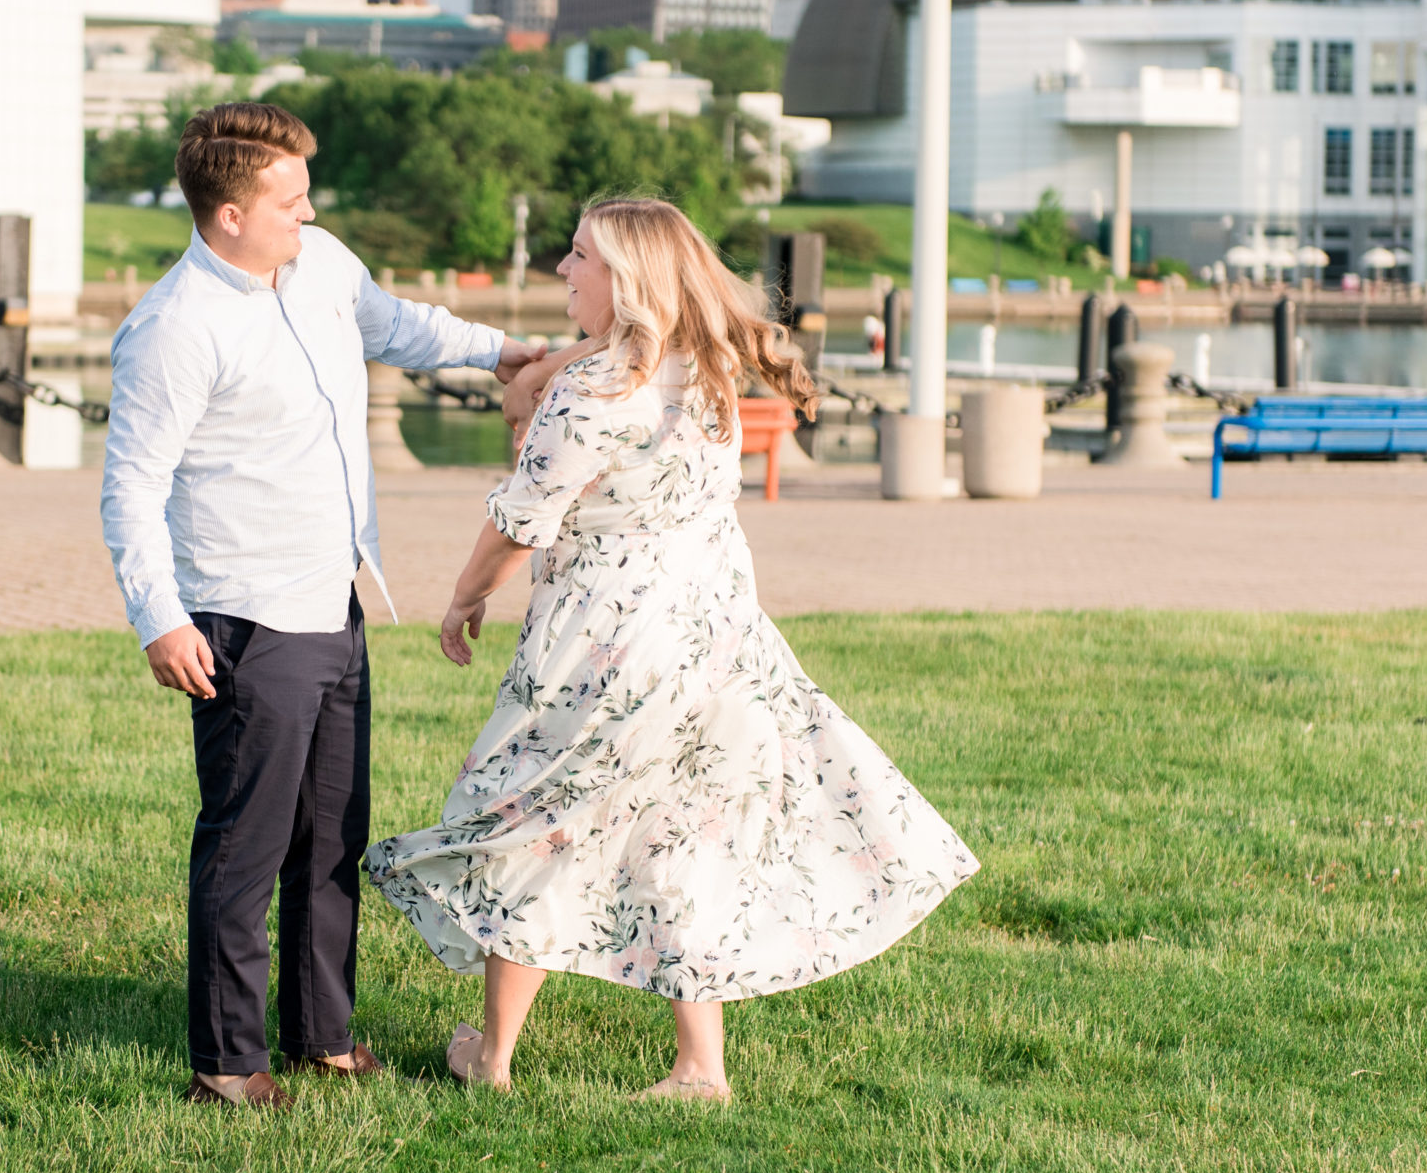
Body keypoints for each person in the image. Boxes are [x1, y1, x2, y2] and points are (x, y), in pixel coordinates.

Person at [365, 198, 980, 1100]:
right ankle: (700, 1066)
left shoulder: (594, 392)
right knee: (683, 832)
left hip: (605, 647)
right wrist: (561, 361)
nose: (563, 272)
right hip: (714, 639)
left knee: (531, 818)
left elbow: (521, 521)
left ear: (625, 279)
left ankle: (492, 1060)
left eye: (579, 258)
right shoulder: (710, 370)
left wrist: (463, 595)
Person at [101, 101, 543, 1110]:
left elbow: (399, 325)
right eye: (290, 199)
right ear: (227, 215)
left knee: (332, 835)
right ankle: (224, 1062)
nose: (309, 211)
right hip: (243, 616)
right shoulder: (172, 328)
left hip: (334, 600)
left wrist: (503, 349)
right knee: (246, 845)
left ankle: (323, 1035)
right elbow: (130, 485)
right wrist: (158, 619)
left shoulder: (321, 264)